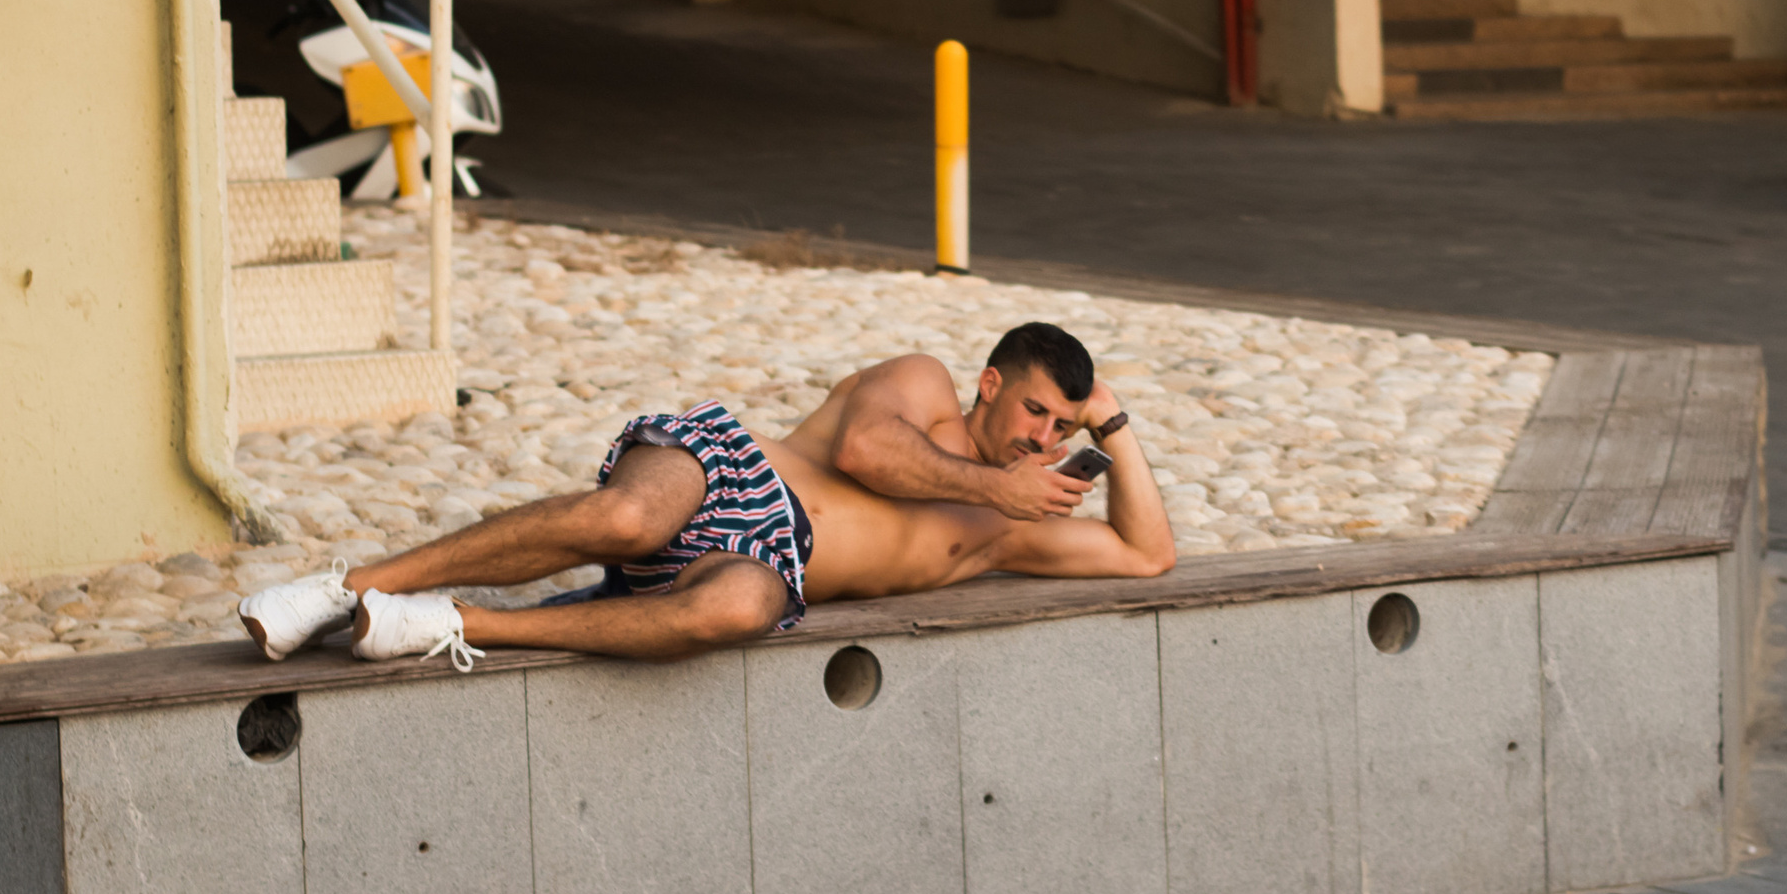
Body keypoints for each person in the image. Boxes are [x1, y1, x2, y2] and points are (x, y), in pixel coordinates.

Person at [237, 321, 1174, 670]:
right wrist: (995, 485)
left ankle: (457, 621)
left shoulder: (1003, 533)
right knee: (627, 518)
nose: (1044, 440)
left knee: (736, 609)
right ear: (990, 383)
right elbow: (864, 448)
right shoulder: (925, 385)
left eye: (1063, 428)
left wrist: (1117, 426)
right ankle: (343, 585)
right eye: (1037, 412)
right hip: (725, 468)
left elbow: (1147, 556)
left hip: (767, 561)